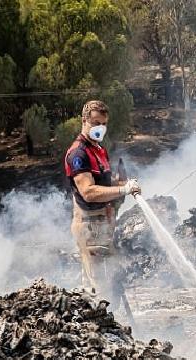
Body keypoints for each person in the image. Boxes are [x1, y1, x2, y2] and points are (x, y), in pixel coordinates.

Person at [64, 100, 141, 297]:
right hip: (89, 226)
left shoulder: (98, 150)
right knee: (99, 286)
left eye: (104, 124)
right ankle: (100, 324)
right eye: (96, 123)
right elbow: (88, 191)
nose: (101, 128)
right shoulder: (78, 153)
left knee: (105, 282)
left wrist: (123, 185)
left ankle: (104, 323)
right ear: (84, 121)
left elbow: (104, 184)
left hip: (103, 224)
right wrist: (122, 190)